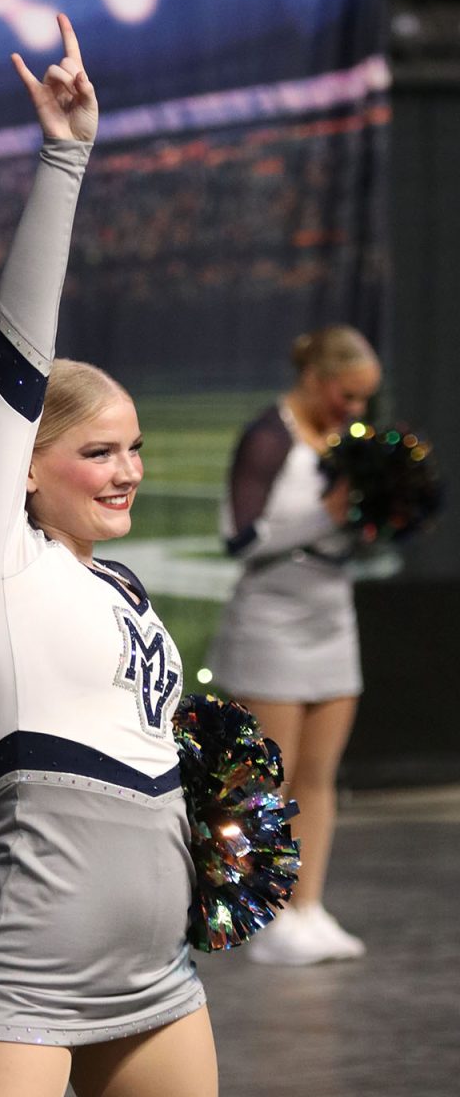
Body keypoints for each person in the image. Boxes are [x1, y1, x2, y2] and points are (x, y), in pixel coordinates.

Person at [0, 16, 218, 1097]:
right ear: (24, 470)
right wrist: (64, 157)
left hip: (157, 977)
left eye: (133, 448)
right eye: (97, 451)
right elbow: (14, 350)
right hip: (30, 972)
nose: (126, 469)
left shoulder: (126, 589)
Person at [208, 324, 381, 966]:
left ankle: (309, 907)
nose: (355, 411)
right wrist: (325, 516)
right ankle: (268, 914)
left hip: (332, 616)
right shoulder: (268, 436)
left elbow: (351, 534)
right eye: (348, 396)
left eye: (365, 400)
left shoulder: (350, 443)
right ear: (316, 379)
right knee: (269, 781)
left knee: (319, 777)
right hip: (271, 621)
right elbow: (240, 537)